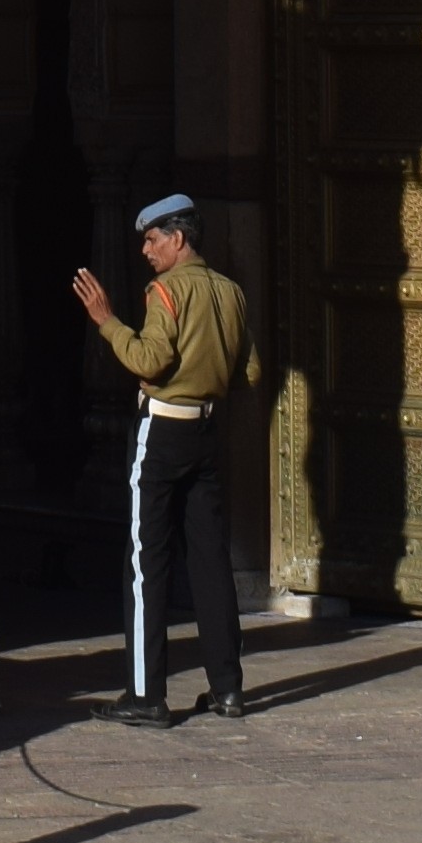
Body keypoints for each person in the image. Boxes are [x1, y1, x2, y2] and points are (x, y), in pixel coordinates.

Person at [70, 193, 253, 725]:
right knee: (211, 561)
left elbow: (148, 358)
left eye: (152, 239)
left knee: (145, 563)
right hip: (207, 430)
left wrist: (107, 322)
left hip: (164, 429)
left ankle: (147, 695)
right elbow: (252, 370)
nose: (146, 250)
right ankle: (227, 688)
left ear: (177, 239)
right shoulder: (231, 292)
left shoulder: (166, 291)